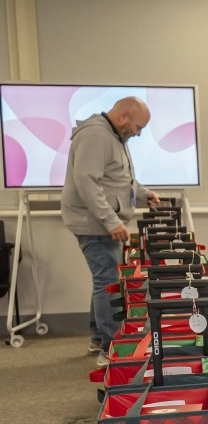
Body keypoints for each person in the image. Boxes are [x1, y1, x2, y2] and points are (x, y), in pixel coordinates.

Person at [60, 96, 158, 360]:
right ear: (124, 116)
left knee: (104, 280)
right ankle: (111, 350)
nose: (138, 133)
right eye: (138, 127)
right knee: (108, 282)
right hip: (95, 225)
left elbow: (120, 179)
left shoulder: (114, 136)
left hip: (102, 223)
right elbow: (87, 182)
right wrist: (111, 220)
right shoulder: (96, 135)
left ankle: (98, 339)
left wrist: (143, 194)